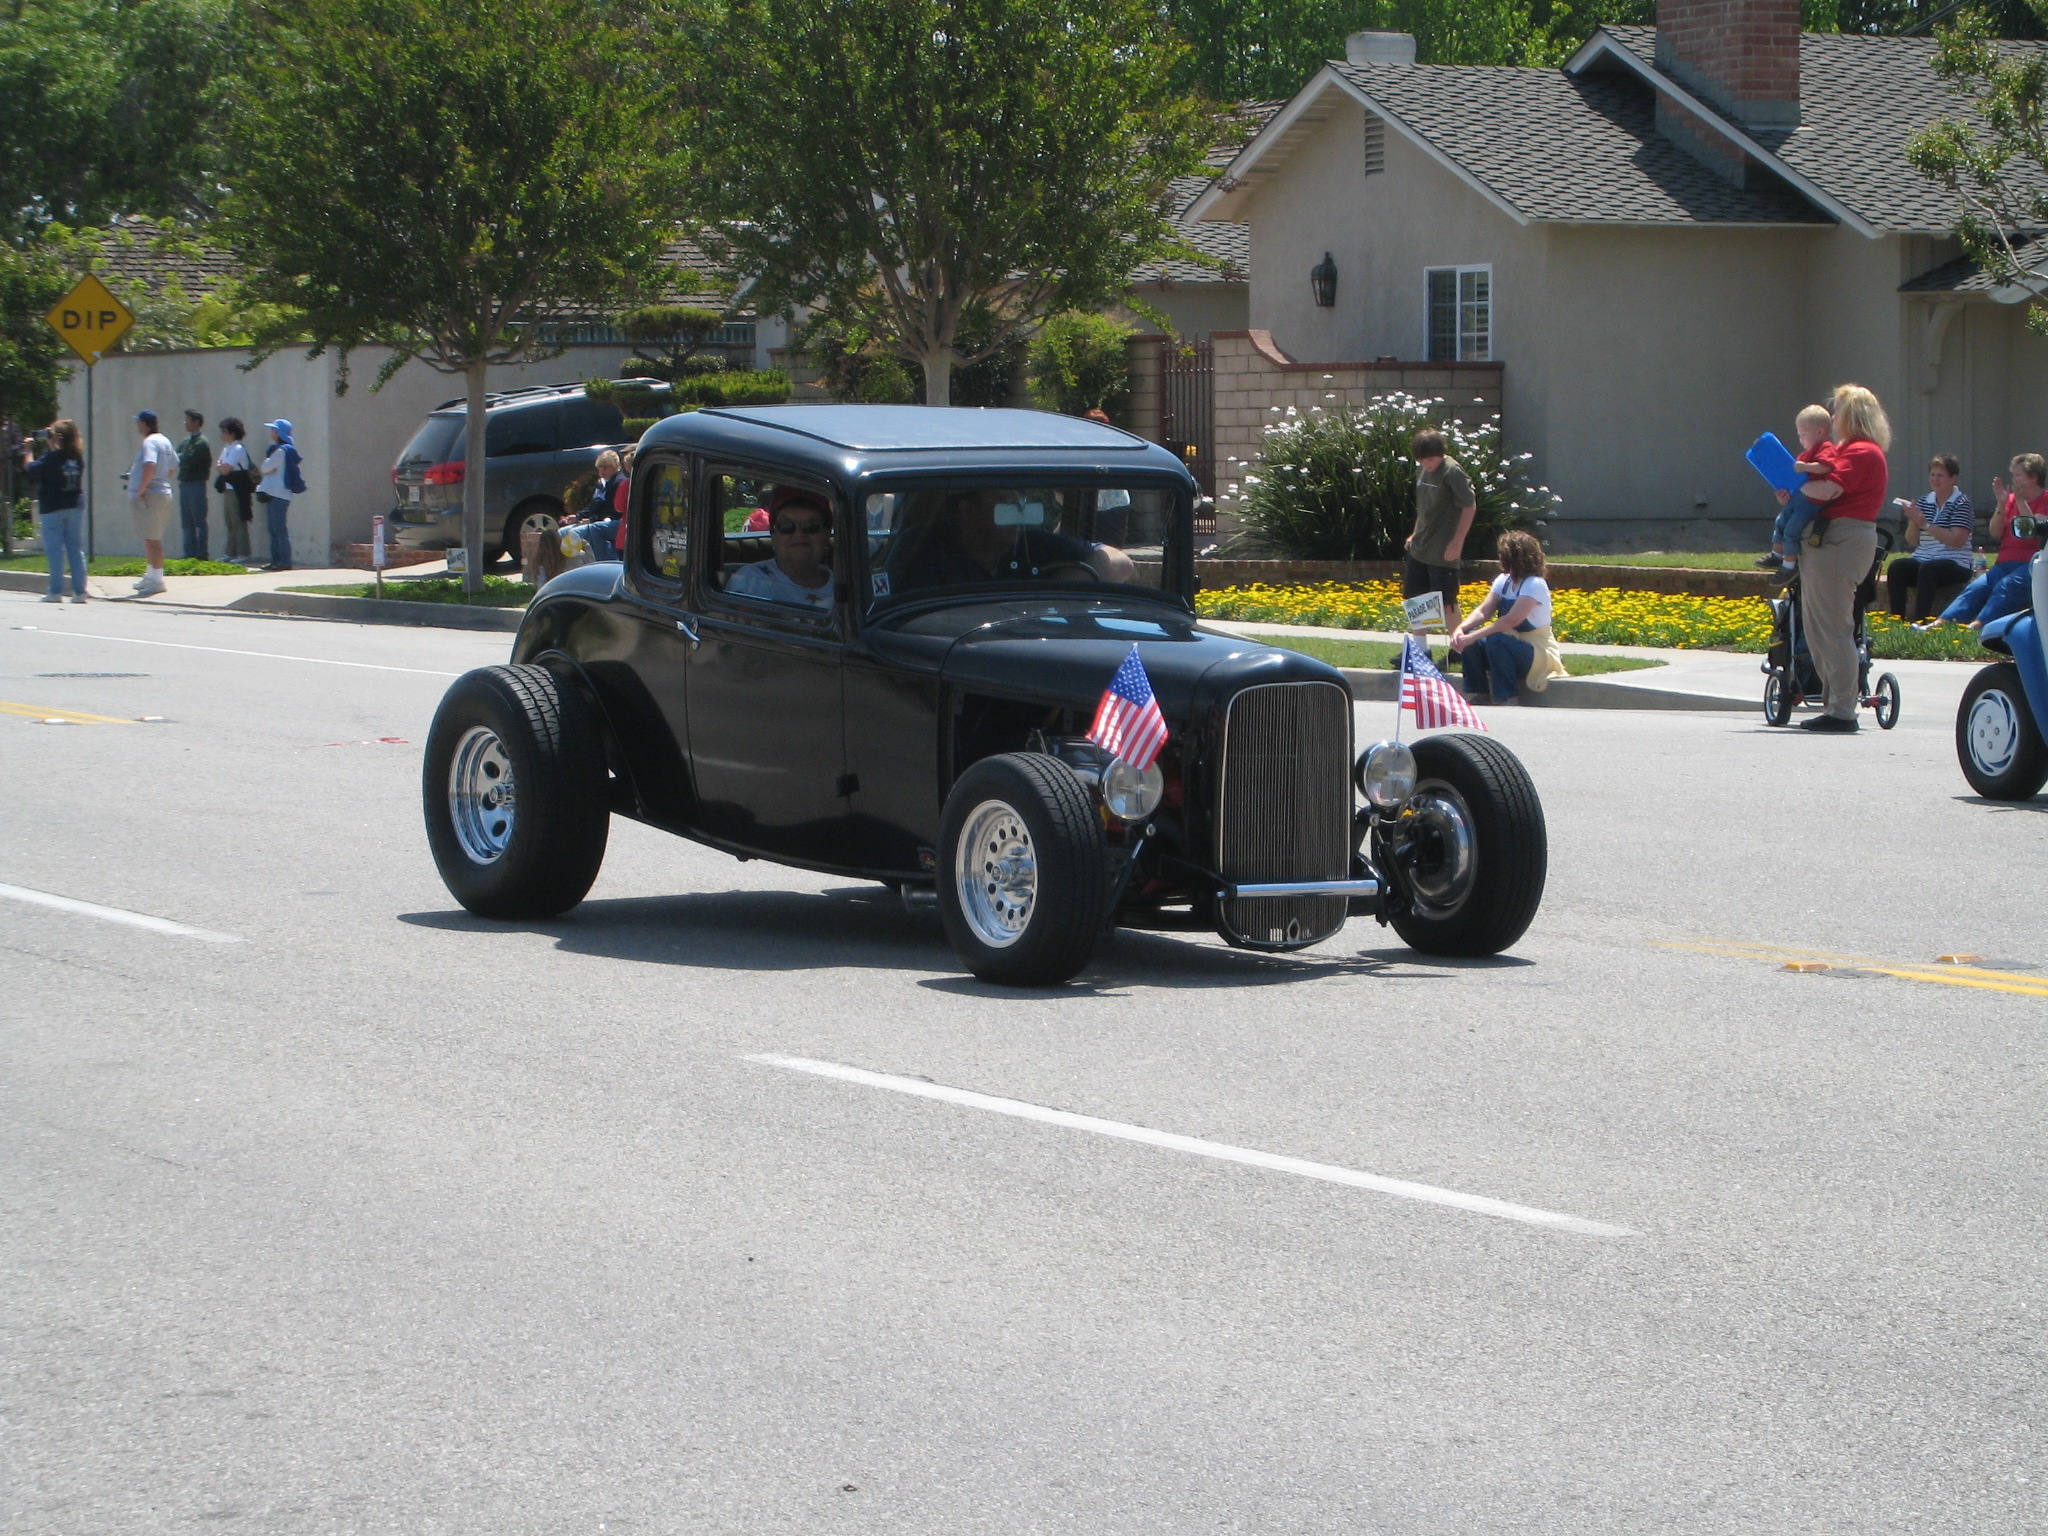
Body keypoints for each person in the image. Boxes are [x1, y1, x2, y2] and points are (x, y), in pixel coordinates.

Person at [1774, 383, 1889, 732]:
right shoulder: (1856, 451)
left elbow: (1828, 489)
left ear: (1851, 415)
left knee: (1833, 628)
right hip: (1836, 540)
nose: (1834, 418)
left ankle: (1841, 710)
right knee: (1820, 626)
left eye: (1838, 411)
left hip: (1840, 540)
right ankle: (1836, 703)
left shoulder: (1860, 452)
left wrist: (1789, 478)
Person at [894, 487, 1135, 590]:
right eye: (1005, 502)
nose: (1018, 512)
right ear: (967, 510)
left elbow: (1119, 562)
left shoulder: (1031, 544)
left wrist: (1058, 590)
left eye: (1019, 501)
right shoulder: (922, 549)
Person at [1921, 454, 2045, 631]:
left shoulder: (2045, 500)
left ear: (2034, 477)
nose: (2014, 480)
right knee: (1978, 587)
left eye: (2018, 476)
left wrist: (2020, 502)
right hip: (2005, 563)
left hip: (2032, 564)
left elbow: (2031, 531)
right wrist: (2002, 505)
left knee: (2007, 586)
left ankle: (1979, 625)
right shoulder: (2010, 500)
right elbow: (1994, 533)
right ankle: (1942, 623)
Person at [1449, 529, 1568, 705]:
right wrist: (1461, 630)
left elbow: (1511, 620)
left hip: (1537, 652)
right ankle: (1480, 694)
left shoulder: (1535, 584)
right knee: (1476, 641)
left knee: (1496, 640)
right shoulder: (1503, 580)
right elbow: (1484, 611)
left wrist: (1473, 636)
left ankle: (1508, 697)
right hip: (1509, 644)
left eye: (1502, 554)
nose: (1499, 557)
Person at [1884, 455, 1973, 620]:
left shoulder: (1961, 503)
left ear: (1953, 478)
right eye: (1932, 474)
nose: (1935, 479)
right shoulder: (1925, 501)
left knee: (1929, 568)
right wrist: (1913, 520)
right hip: (1925, 559)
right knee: (1897, 567)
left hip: (1955, 563)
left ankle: (1920, 621)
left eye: (1940, 475)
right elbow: (1912, 540)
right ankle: (1897, 620)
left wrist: (1926, 525)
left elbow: (1956, 540)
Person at [1405, 430, 1475, 633]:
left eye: (1431, 459)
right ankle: (1420, 649)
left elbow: (1469, 506)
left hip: (1443, 549)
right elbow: (1424, 506)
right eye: (1422, 460)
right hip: (1421, 545)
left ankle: (1459, 648)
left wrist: (1457, 541)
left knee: (1447, 602)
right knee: (1417, 599)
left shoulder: (1452, 472)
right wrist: (1415, 533)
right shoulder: (1422, 469)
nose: (1427, 464)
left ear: (1441, 453)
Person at [725, 486, 837, 610]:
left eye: (811, 526)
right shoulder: (749, 582)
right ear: (773, 534)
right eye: (787, 526)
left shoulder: (844, 589)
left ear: (827, 533)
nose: (799, 535)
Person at [1756, 404, 1834, 577]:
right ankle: (1776, 555)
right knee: (1781, 521)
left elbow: (1826, 467)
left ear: (1820, 432)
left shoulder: (1826, 449)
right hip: (1798, 497)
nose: (1801, 440)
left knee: (1792, 529)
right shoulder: (1805, 455)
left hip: (1812, 502)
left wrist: (1806, 467)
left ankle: (1789, 566)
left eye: (1803, 435)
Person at [21, 417, 87, 603]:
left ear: (56, 438)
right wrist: (53, 443)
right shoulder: (77, 457)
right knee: (75, 549)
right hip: (74, 505)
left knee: (55, 550)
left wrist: (28, 450)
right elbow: (60, 462)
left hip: (52, 507)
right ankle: (80, 592)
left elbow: (30, 468)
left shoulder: (50, 458)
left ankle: (55, 591)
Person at [127, 410, 179, 596]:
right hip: (161, 494)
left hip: (151, 497)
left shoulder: (149, 442)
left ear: (145, 424)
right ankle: (150, 576)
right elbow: (174, 465)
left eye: (139, 422)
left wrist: (142, 488)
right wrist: (162, 480)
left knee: (153, 539)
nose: (137, 426)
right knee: (149, 538)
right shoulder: (164, 440)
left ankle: (157, 580)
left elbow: (150, 465)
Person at [257, 419, 303, 571]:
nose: (271, 432)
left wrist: (268, 467)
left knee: (278, 529)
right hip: (279, 493)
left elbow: (264, 467)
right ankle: (276, 560)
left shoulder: (281, 451)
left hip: (278, 494)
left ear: (278, 433)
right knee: (274, 528)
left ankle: (283, 561)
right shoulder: (285, 450)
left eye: (273, 430)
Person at [213, 417, 256, 564]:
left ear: (232, 433)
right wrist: (221, 467)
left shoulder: (237, 448)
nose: (222, 434)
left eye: (224, 431)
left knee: (239, 520)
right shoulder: (227, 448)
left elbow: (225, 469)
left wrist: (222, 467)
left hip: (238, 489)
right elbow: (218, 466)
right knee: (229, 521)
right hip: (228, 488)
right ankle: (230, 552)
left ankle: (243, 553)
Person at [174, 409, 213, 561]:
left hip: (196, 483)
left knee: (199, 520)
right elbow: (174, 456)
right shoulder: (186, 441)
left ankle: (202, 553)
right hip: (185, 483)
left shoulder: (201, 442)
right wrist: (179, 457)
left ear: (196, 422)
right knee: (187, 521)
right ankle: (189, 553)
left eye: (188, 420)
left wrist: (180, 457)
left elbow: (188, 460)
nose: (185, 423)